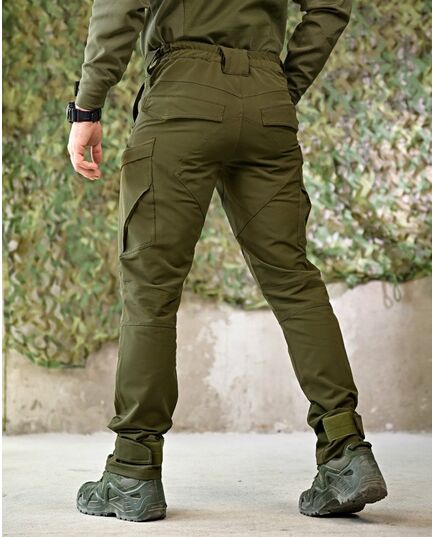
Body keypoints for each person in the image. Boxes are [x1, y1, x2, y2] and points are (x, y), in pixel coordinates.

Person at [67, 0, 388, 521]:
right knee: (293, 280)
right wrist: (281, 86)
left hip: (181, 96)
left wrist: (86, 108)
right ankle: (345, 451)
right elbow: (330, 6)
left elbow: (121, 5)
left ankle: (132, 471)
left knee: (152, 287)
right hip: (266, 99)